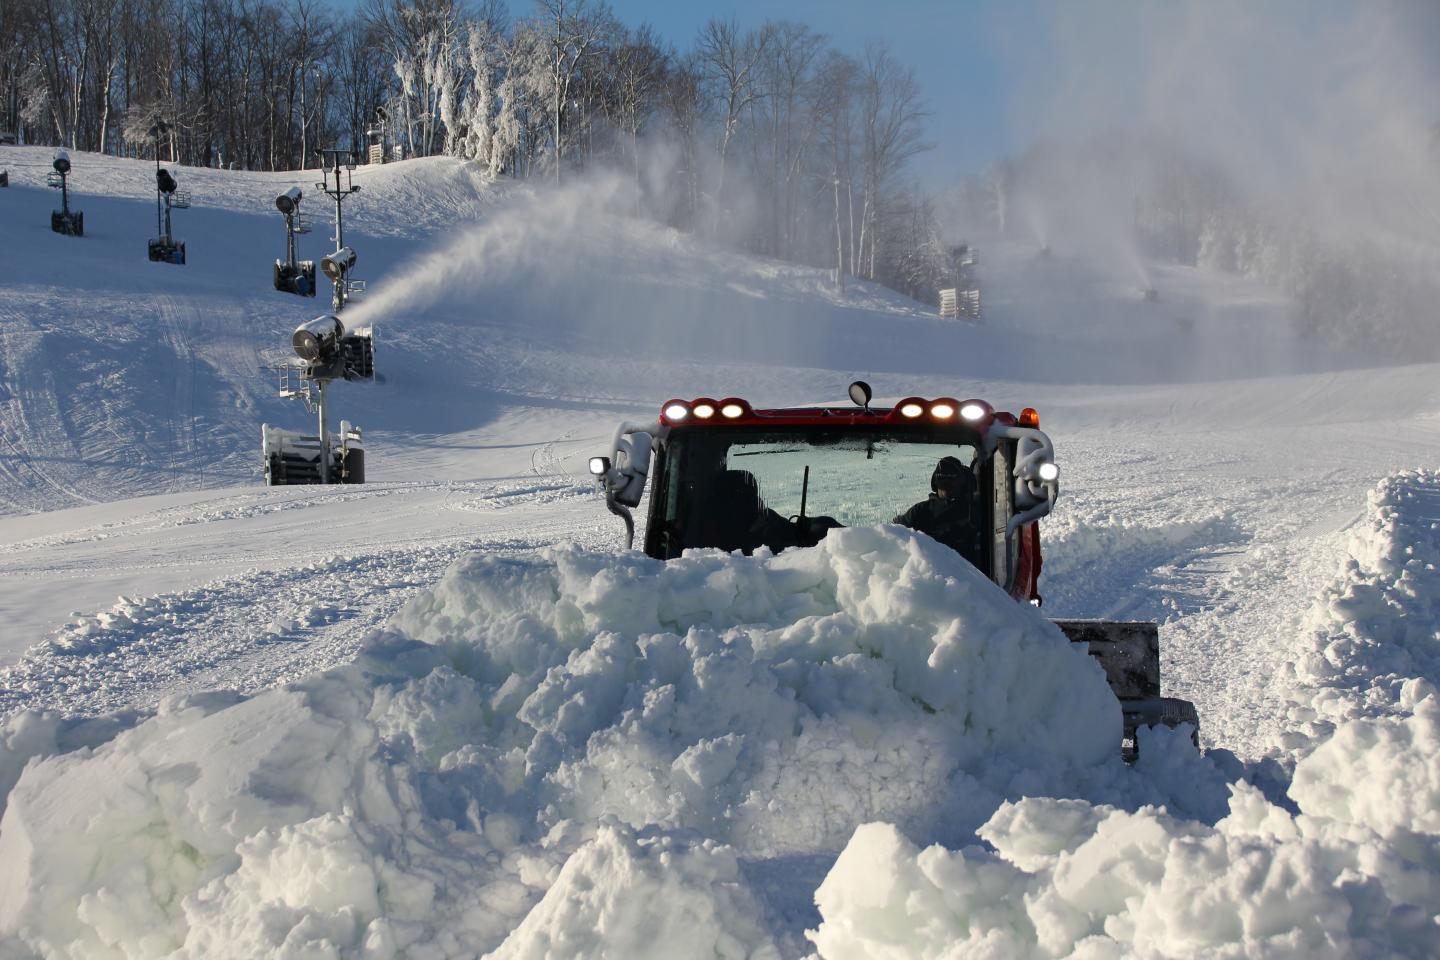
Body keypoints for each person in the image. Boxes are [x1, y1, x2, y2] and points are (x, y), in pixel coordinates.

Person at [893, 456, 981, 564]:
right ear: (935, 482)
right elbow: (895, 533)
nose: (947, 484)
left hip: (969, 577)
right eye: (942, 478)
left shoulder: (977, 511)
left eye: (952, 478)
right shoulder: (921, 512)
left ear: (962, 481)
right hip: (932, 575)